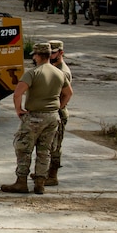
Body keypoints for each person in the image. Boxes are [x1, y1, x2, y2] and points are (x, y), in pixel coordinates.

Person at [0, 42, 72, 195]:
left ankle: (21, 182)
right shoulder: (60, 73)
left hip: (35, 117)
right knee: (44, 150)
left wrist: (19, 110)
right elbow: (68, 93)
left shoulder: (33, 73)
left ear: (38, 56)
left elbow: (17, 93)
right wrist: (58, 108)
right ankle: (40, 183)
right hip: (52, 117)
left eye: (34, 55)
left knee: (24, 148)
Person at [46, 40, 73, 186]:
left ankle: (53, 175)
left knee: (55, 147)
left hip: (59, 113)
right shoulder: (52, 68)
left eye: (53, 53)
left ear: (61, 53)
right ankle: (45, 172)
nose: (50, 55)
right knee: (47, 145)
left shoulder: (63, 72)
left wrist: (58, 109)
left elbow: (66, 94)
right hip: (51, 112)